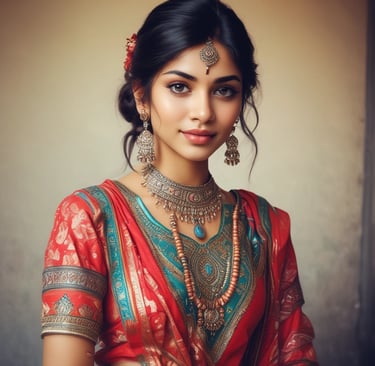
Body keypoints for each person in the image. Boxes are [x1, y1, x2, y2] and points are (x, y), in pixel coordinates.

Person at [41, 0, 318, 365]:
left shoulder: (265, 228)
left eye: (224, 90)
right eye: (179, 87)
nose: (203, 111)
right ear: (142, 95)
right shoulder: (89, 218)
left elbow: (295, 356)